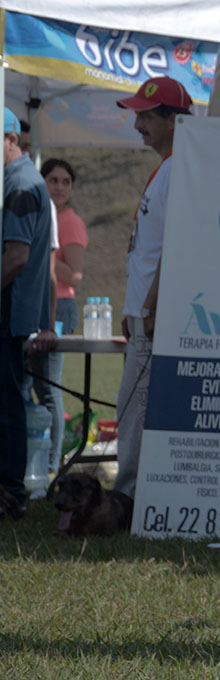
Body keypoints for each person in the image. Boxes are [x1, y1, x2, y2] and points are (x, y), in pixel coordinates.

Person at [112, 77, 192, 499]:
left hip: (154, 314)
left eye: (145, 115)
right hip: (144, 313)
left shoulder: (180, 167)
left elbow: (175, 247)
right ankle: (136, 493)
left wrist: (151, 306)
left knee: (136, 408)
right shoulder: (169, 166)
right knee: (135, 406)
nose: (137, 124)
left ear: (174, 119)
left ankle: (129, 498)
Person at [2, 106, 56, 520]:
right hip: (16, 310)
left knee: (7, 404)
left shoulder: (19, 185)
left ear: (10, 139)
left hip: (9, 311)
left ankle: (9, 492)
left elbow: (16, 258)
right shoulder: (22, 180)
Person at [30, 158, 88, 476]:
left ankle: (52, 464)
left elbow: (75, 274)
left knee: (49, 388)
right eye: (54, 180)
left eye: (66, 181)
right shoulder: (45, 215)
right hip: (39, 303)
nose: (60, 187)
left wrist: (42, 258)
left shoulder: (68, 221)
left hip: (61, 306)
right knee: (36, 385)